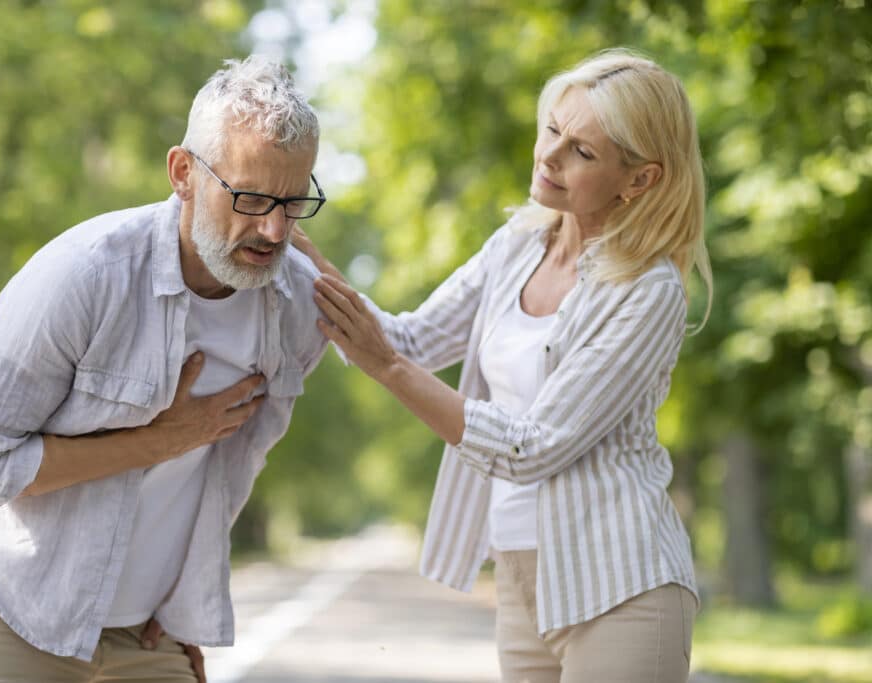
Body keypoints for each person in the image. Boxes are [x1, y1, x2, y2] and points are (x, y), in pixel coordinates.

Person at [294, 49, 711, 682]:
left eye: (582, 151)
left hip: (621, 583)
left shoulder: (647, 290)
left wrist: (389, 369)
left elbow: (533, 448)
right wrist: (299, 253)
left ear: (640, 180)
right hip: (522, 577)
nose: (549, 155)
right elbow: (409, 340)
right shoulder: (517, 245)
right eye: (553, 130)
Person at [0, 56, 328, 683]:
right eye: (250, 198)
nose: (274, 230)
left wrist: (186, 602)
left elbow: (231, 467)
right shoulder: (84, 275)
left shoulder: (297, 304)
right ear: (184, 173)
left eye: (293, 201)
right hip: (7, 603)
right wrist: (157, 441)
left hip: (147, 630)